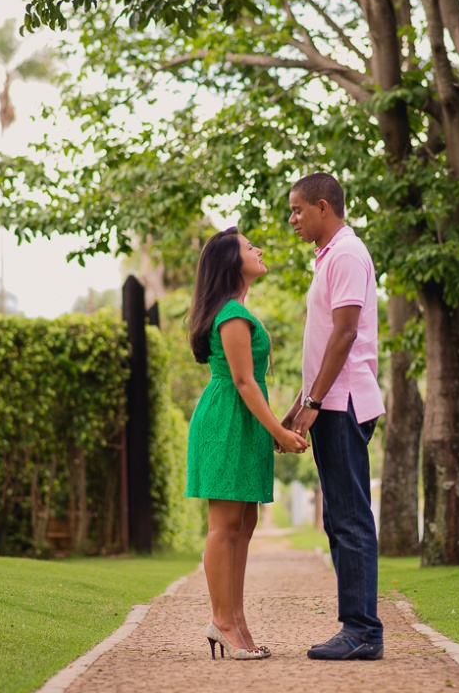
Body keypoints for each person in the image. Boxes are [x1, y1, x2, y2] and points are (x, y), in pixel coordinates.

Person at [185, 227, 310, 661]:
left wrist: (270, 428)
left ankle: (236, 622)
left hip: (242, 421)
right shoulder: (232, 315)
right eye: (248, 247)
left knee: (244, 526)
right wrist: (278, 430)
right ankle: (222, 622)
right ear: (231, 263)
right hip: (227, 420)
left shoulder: (236, 309)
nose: (258, 250)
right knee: (224, 527)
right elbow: (242, 380)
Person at [283, 172, 386, 661]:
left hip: (343, 402)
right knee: (339, 519)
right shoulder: (329, 257)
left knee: (349, 519)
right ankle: (356, 626)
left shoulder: (345, 253)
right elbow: (324, 339)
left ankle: (363, 630)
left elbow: (344, 335)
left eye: (298, 210)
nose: (293, 220)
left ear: (324, 207)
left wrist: (315, 403)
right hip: (330, 401)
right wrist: (297, 407)